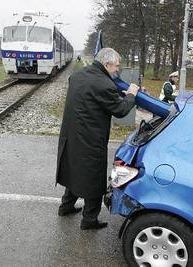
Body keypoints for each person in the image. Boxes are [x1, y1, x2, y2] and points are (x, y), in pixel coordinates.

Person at [56, 48, 139, 230]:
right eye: (116, 66)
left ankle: (66, 207)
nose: (117, 70)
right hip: (90, 140)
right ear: (106, 64)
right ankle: (89, 220)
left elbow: (94, 97)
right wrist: (131, 94)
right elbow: (120, 110)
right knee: (92, 179)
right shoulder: (104, 84)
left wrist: (118, 96)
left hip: (71, 136)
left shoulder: (78, 75)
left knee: (73, 171)